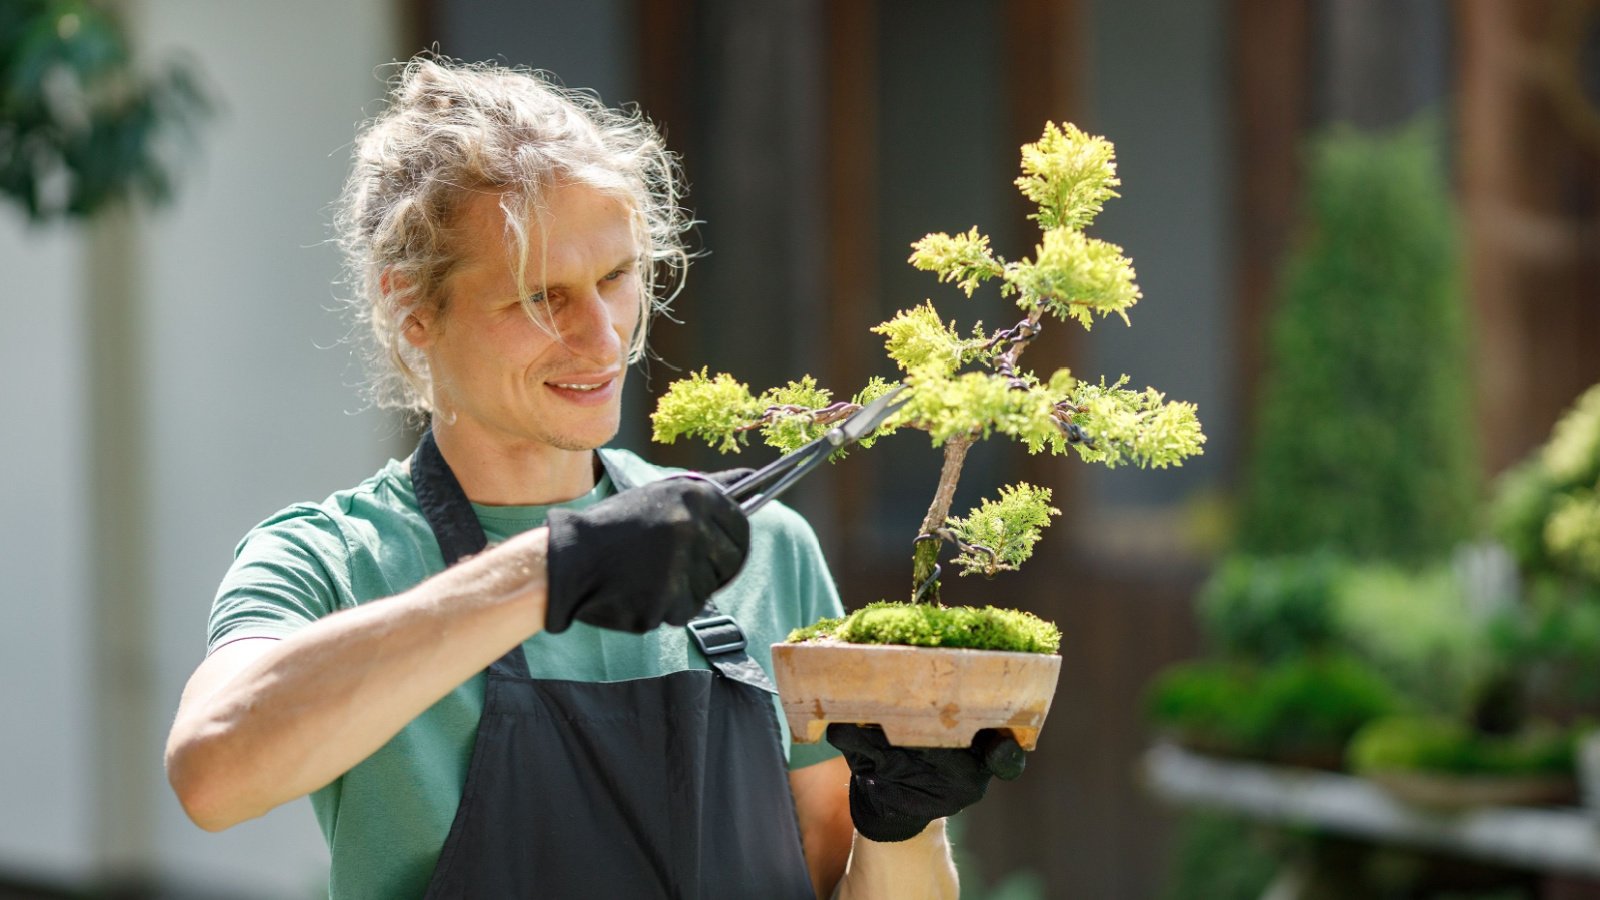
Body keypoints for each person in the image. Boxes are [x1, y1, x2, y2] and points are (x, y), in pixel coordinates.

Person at [165, 57, 1015, 899]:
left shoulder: (755, 552)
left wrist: (906, 822)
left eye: (616, 278)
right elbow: (213, 771)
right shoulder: (332, 561)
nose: (604, 339)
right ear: (412, 307)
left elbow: (842, 879)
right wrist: (548, 570)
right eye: (542, 299)